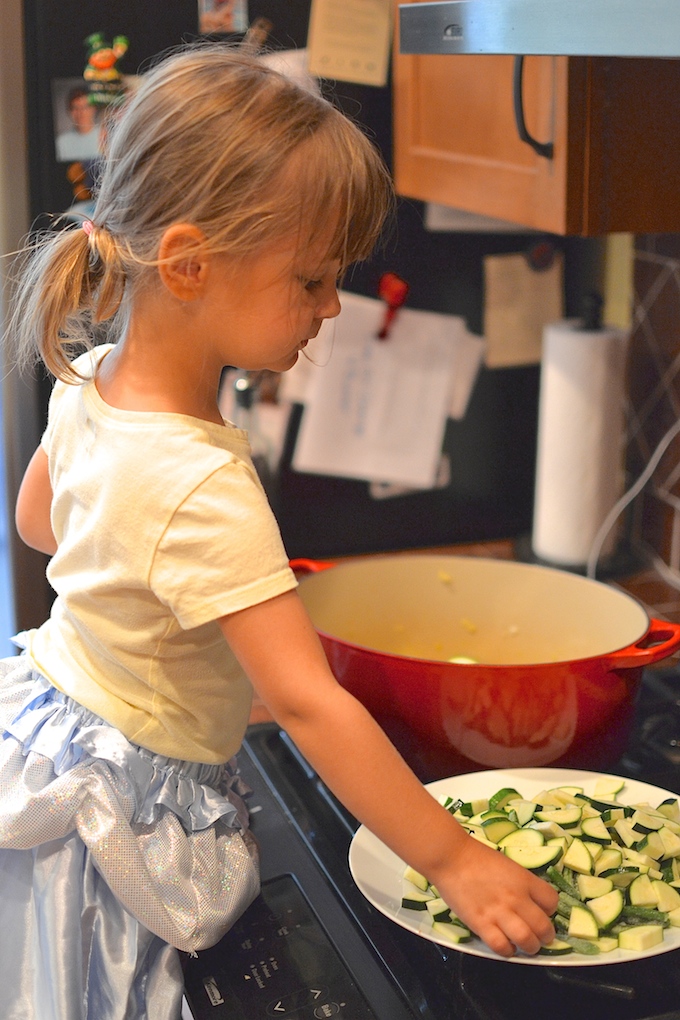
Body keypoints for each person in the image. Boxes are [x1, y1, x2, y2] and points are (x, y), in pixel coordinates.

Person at [2, 45, 558, 1020]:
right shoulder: (205, 484)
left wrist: (154, 606)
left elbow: (39, 527)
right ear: (187, 263)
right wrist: (456, 860)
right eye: (308, 280)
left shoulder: (84, 379)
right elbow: (306, 706)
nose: (331, 306)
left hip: (46, 730)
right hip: (128, 802)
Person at [55, 86, 101, 162]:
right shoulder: (61, 142)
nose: (81, 113)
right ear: (69, 111)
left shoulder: (106, 137)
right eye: (76, 108)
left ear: (94, 109)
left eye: (85, 107)